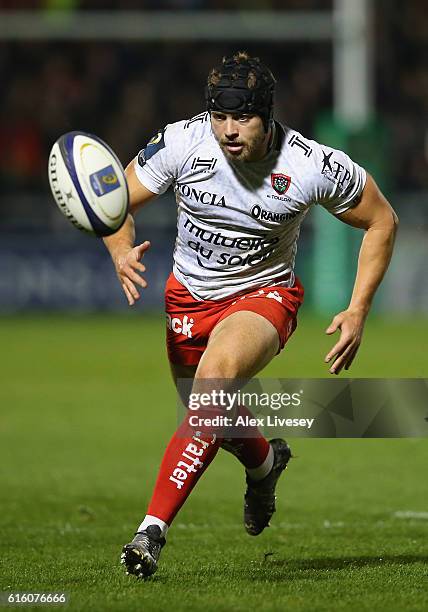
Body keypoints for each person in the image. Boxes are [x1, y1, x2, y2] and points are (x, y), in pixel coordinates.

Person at [103, 52, 398, 579]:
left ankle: (150, 533)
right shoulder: (182, 142)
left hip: (264, 298)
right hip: (187, 299)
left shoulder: (310, 165)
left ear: (267, 115)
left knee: (212, 388)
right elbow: (116, 202)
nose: (229, 131)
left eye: (243, 119)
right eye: (220, 116)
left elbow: (381, 219)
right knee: (206, 414)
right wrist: (120, 250)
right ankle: (264, 464)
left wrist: (358, 309)